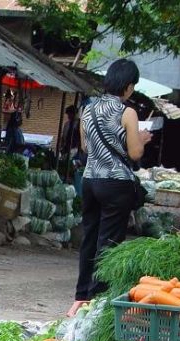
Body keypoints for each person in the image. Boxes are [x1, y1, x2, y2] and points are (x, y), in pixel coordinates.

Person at [68, 59, 153, 317]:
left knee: (89, 238)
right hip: (116, 183)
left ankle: (80, 296)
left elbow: (85, 147)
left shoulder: (88, 109)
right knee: (109, 242)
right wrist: (143, 139)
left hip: (90, 181)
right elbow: (135, 152)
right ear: (128, 86)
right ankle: (98, 299)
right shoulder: (127, 113)